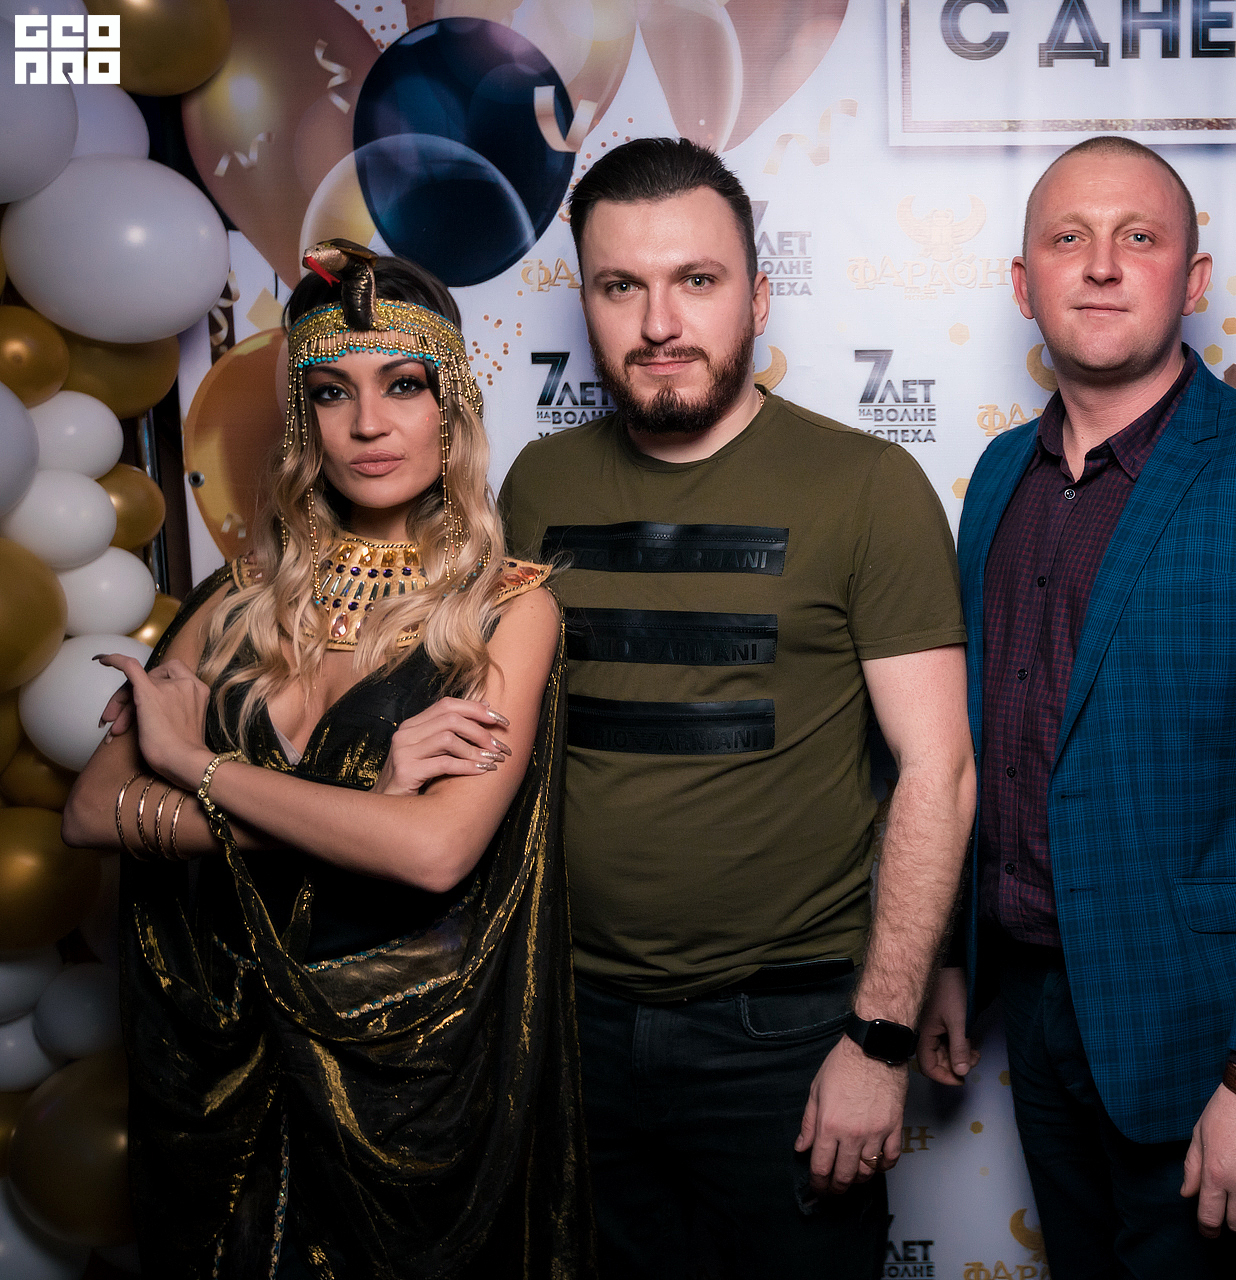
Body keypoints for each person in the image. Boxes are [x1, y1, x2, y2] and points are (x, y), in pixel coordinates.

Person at [916, 135, 1236, 1276]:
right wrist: (949, 954)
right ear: (1023, 283)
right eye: (1068, 238)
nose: (1101, 264)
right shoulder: (998, 476)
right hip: (1036, 1003)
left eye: (1138, 237)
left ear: (1193, 280)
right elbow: (981, 739)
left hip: (1204, 1030)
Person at [61, 242, 588, 1276]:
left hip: (408, 1081)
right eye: (332, 392)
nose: (368, 423)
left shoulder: (509, 610)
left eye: (404, 384)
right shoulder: (234, 600)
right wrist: (362, 805)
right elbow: (89, 811)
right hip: (221, 1073)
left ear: (453, 403)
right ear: (304, 420)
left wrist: (196, 767)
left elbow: (434, 852)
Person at [497, 137, 974, 1277]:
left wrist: (878, 1037)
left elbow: (938, 772)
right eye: (622, 285)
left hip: (785, 1034)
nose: (660, 322)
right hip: (571, 1017)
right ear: (586, 301)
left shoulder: (868, 487)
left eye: (697, 280)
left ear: (757, 298)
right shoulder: (536, 484)